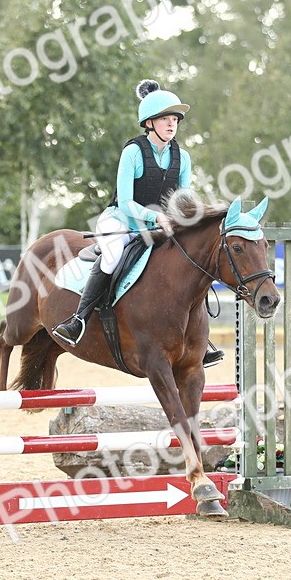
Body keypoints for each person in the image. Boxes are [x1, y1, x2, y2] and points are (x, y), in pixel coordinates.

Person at [52, 78, 224, 368]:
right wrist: (155, 216)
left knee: (190, 260)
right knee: (113, 255)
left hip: (160, 225)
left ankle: (198, 338)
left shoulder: (183, 157)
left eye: (175, 120)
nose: (172, 125)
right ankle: (79, 320)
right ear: (149, 123)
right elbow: (127, 202)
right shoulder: (132, 152)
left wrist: (190, 220)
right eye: (165, 119)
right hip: (121, 220)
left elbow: (183, 200)